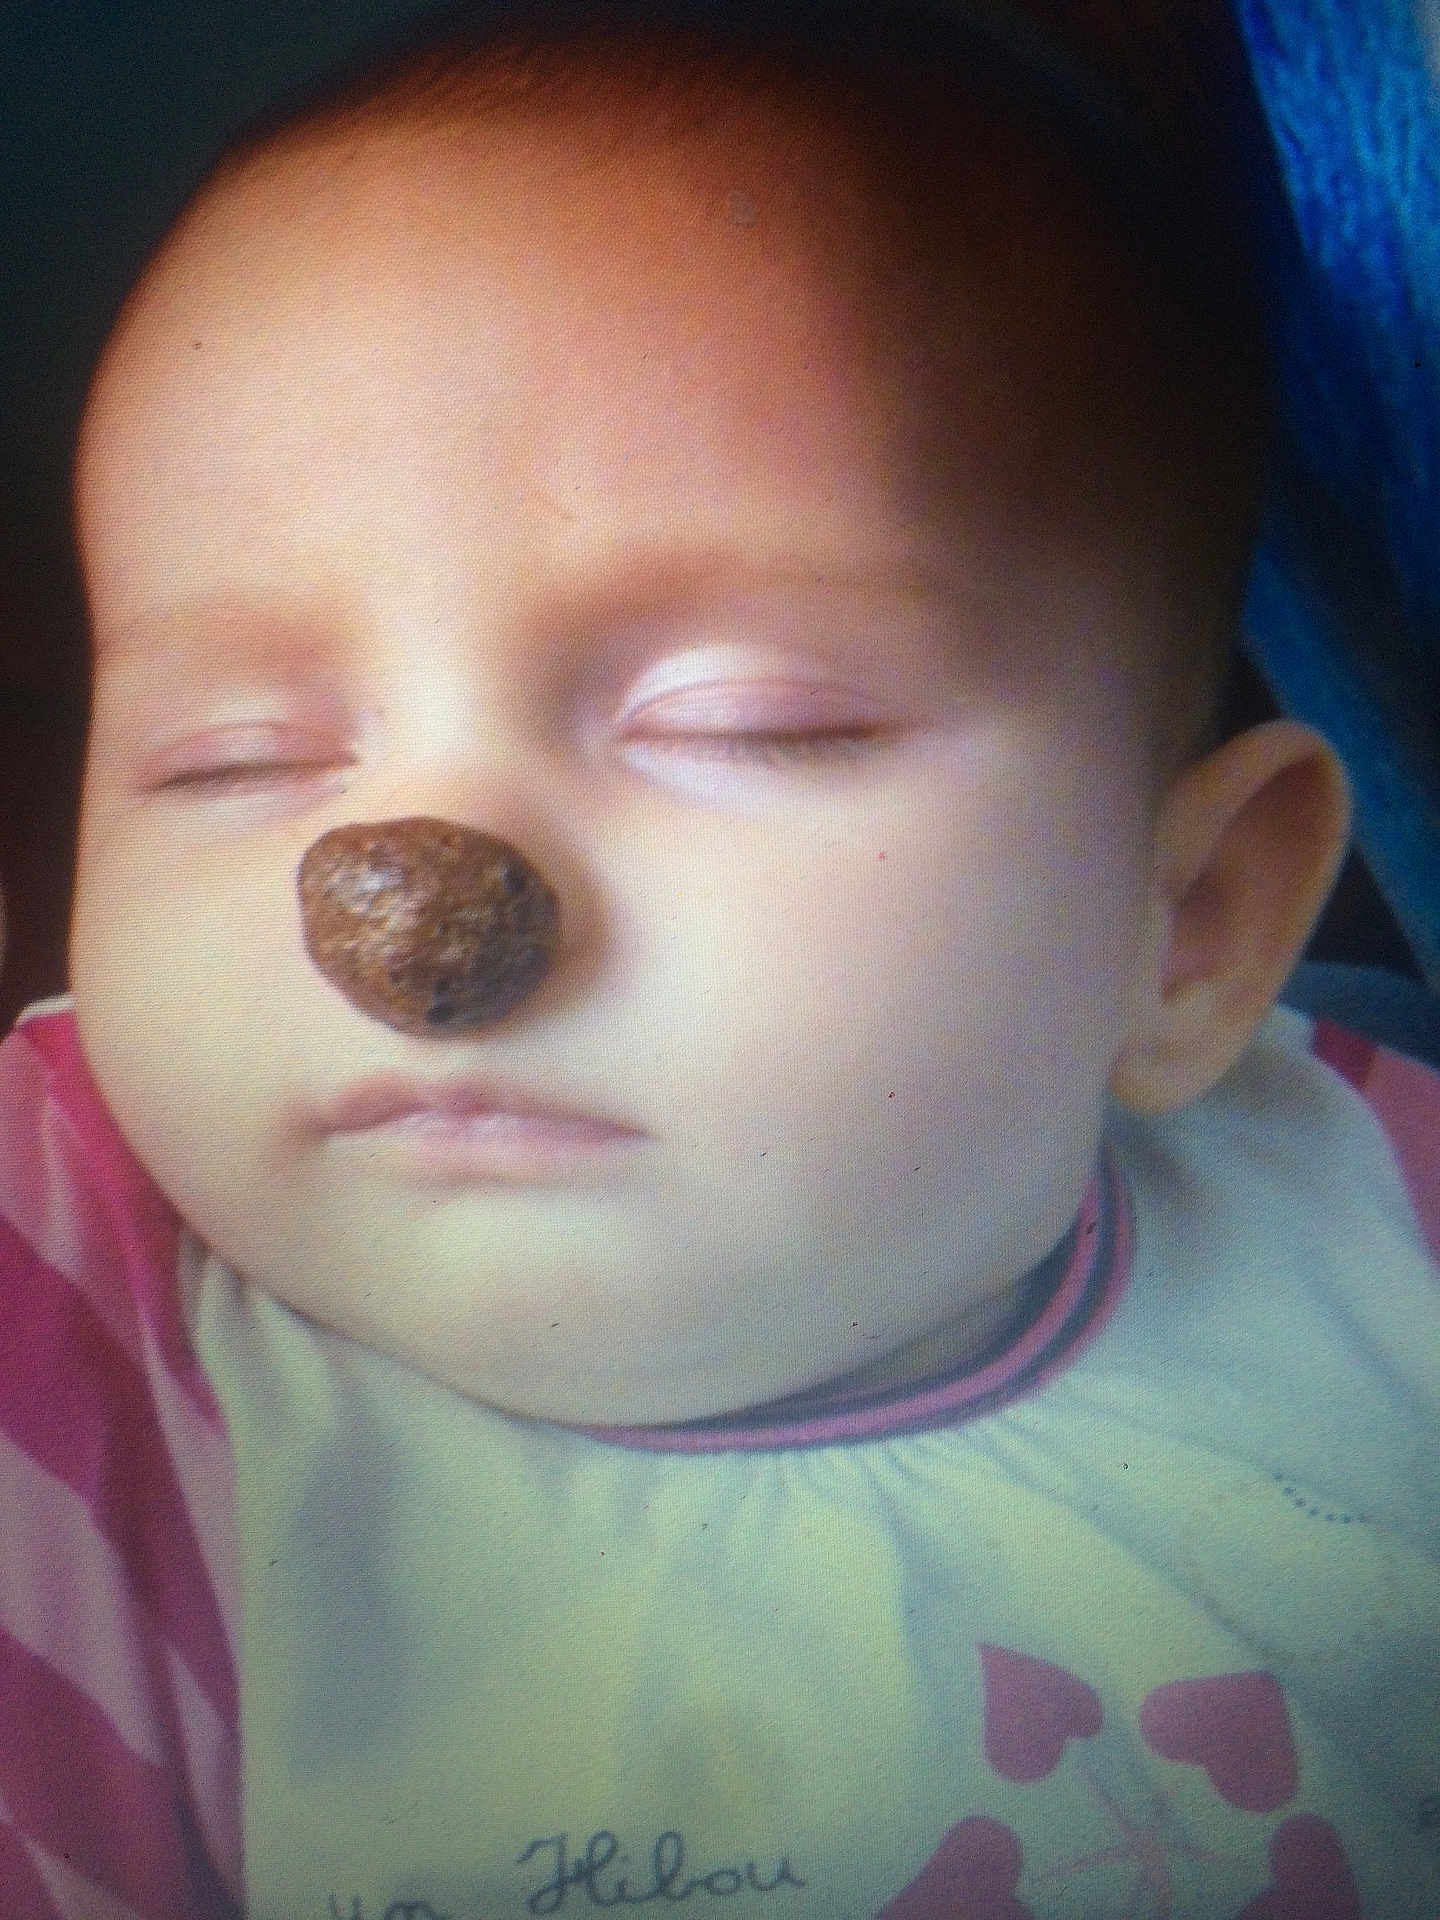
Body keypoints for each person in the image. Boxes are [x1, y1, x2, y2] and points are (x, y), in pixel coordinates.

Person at [2, 2, 1437, 1914]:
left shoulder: (1388, 1229)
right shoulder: (79, 1329)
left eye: (748, 722)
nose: (418, 913)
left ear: (1192, 927)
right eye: (231, 758)